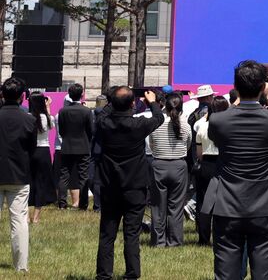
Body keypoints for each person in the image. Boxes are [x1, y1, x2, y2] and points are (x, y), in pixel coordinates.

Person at [203, 61, 268, 280]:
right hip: (265, 204)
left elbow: (215, 137)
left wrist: (241, 99)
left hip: (226, 204)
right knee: (264, 273)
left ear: (236, 87)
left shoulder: (219, 120)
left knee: (225, 272)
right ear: (263, 87)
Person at [94, 86, 167, 280]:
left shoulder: (104, 123)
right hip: (134, 185)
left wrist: (114, 101)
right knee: (131, 234)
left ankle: (103, 274)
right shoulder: (139, 125)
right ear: (133, 104)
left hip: (110, 185)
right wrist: (152, 102)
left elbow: (102, 112)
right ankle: (132, 274)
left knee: (107, 234)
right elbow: (159, 118)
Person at [0, 78, 35, 274]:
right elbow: (31, 149)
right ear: (23, 97)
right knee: (19, 221)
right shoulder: (29, 119)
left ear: (2, 95)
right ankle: (21, 265)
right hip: (19, 176)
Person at [148, 93, 192, 246]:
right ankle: (174, 240)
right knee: (176, 206)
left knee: (158, 206)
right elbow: (188, 146)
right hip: (179, 166)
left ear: (165, 107)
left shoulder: (156, 125)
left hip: (159, 164)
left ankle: (158, 241)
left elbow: (152, 146)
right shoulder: (185, 126)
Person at [192, 95, 228, 246]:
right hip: (224, 164)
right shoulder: (228, 126)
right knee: (224, 203)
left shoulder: (202, 126)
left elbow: (199, 153)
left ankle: (203, 238)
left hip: (206, 164)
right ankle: (222, 236)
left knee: (203, 203)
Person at [56, 83, 94, 211]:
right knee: (83, 176)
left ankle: (62, 203)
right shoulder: (87, 111)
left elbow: (61, 130)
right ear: (82, 95)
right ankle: (83, 204)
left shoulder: (62, 111)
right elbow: (91, 130)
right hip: (83, 146)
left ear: (69, 95)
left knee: (64, 176)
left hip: (67, 146)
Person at [24, 93, 55, 226]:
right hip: (43, 152)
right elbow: (51, 125)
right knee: (41, 183)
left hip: (29, 152)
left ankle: (25, 215)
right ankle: (36, 217)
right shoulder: (48, 118)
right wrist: (48, 107)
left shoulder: (27, 117)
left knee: (26, 184)